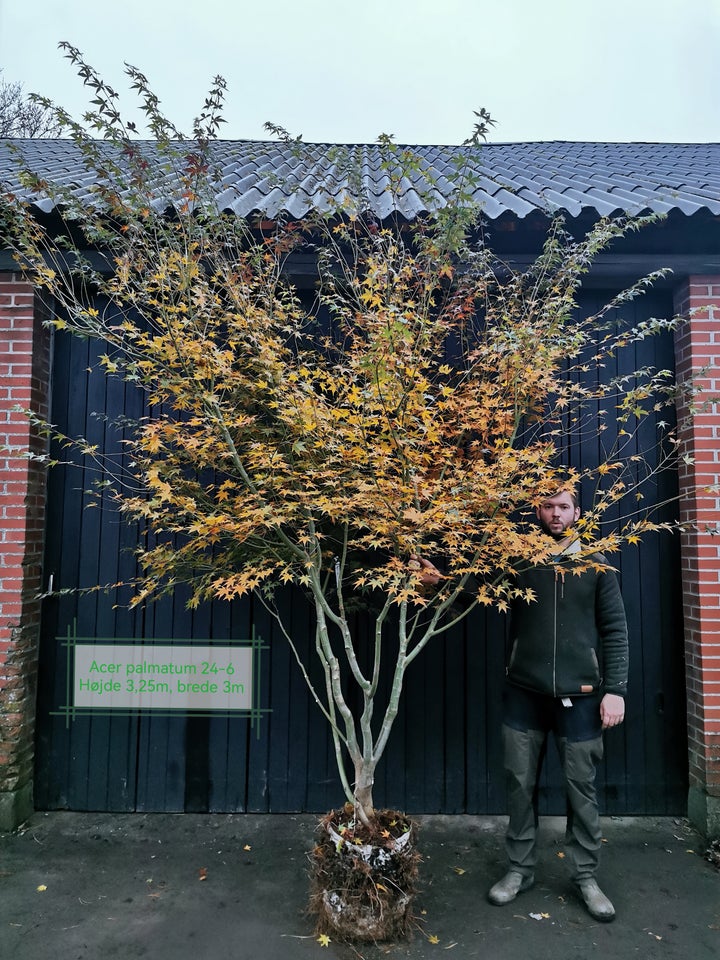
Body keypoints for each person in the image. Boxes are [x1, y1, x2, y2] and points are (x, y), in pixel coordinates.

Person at [486, 489, 628, 922]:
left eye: (563, 506)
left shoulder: (597, 564)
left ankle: (585, 876)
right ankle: (519, 870)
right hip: (524, 693)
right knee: (518, 784)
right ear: (537, 509)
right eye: (547, 506)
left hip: (582, 698)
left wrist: (616, 689)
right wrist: (440, 580)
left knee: (581, 790)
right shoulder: (519, 561)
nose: (555, 513)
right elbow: (481, 590)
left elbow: (616, 629)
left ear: (577, 512)